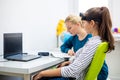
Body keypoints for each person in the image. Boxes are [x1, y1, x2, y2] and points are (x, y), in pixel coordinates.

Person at [33, 7, 115, 80]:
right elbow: (81, 61)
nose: (83, 25)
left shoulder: (93, 44)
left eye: (84, 23)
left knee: (41, 76)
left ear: (92, 23)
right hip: (77, 73)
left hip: (76, 76)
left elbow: (72, 71)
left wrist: (43, 73)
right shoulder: (95, 41)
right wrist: (71, 62)